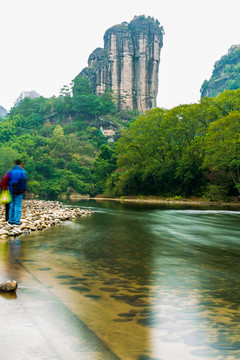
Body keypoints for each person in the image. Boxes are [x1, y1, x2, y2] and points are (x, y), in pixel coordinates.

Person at [8, 160, 27, 226]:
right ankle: (16, 221)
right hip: (19, 190)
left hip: (11, 190)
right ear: (20, 164)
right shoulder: (22, 171)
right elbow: (24, 181)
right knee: (18, 206)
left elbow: (7, 179)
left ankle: (10, 221)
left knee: (12, 205)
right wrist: (24, 190)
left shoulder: (10, 171)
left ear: (14, 164)